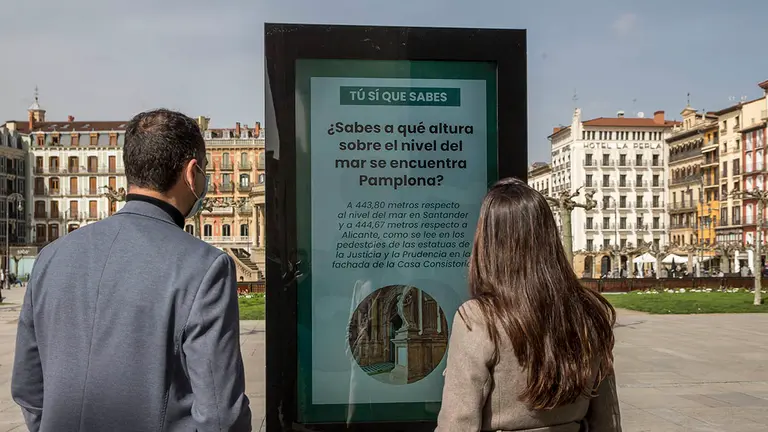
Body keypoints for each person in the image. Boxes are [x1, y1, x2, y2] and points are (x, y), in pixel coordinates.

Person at [12, 109, 252, 431]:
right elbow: (222, 416)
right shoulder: (204, 267)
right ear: (192, 173)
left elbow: (29, 389)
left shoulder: (51, 257)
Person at [436, 178, 621, 431]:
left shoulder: (478, 318)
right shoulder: (588, 311)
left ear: (489, 242)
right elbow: (606, 420)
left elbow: (457, 423)